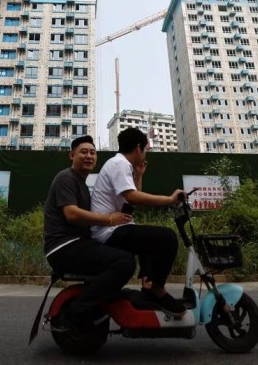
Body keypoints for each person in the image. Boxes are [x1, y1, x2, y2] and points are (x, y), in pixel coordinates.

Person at [43, 135, 135, 337]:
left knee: (122, 254)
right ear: (72, 155)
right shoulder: (66, 177)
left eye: (93, 153)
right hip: (64, 247)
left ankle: (106, 300)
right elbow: (72, 214)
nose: (89, 156)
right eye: (83, 152)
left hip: (76, 244)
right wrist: (109, 219)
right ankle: (77, 312)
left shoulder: (82, 184)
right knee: (124, 262)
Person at [91, 127, 187, 316]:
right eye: (145, 150)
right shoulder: (118, 164)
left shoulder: (122, 165)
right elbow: (133, 197)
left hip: (116, 228)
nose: (145, 154)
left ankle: (148, 285)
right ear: (137, 148)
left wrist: (139, 175)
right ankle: (157, 291)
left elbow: (130, 201)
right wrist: (170, 199)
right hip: (108, 231)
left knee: (149, 238)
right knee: (167, 238)